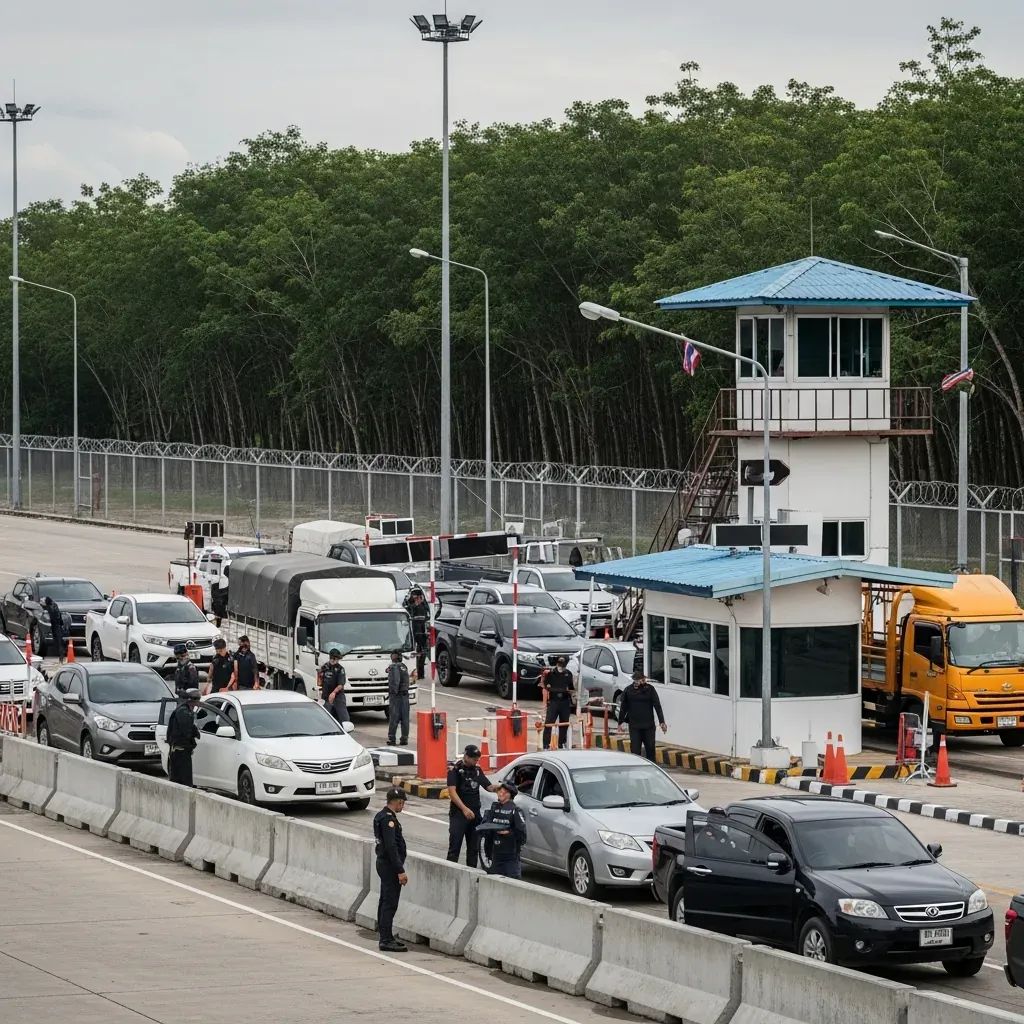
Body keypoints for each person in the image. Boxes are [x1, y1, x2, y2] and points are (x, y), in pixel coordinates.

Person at [372, 786, 409, 953]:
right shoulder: (389, 820)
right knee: (390, 902)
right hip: (389, 866)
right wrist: (400, 870)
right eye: (403, 803)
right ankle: (386, 939)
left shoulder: (381, 815)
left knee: (385, 899)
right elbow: (391, 847)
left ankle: (386, 935)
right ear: (399, 802)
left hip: (384, 864)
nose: (403, 807)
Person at [446, 743, 495, 867]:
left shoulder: (477, 771)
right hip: (459, 813)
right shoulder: (455, 770)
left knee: (473, 849)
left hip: (475, 814)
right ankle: (450, 872)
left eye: (477, 760)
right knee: (454, 848)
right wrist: (464, 809)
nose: (476, 762)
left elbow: (488, 787)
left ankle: (471, 876)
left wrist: (502, 788)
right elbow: (452, 792)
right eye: (474, 759)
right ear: (466, 756)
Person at [480, 781, 527, 878]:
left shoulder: (516, 811)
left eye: (504, 792)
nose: (501, 793)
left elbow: (522, 835)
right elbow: (485, 832)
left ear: (510, 795)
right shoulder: (493, 809)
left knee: (512, 884)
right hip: (496, 856)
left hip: (510, 857)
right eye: (499, 791)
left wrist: (509, 833)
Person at [618, 670, 666, 761]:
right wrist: (620, 723)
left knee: (650, 750)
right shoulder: (628, 690)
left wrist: (662, 722)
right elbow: (623, 708)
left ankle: (651, 769)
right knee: (635, 752)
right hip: (635, 727)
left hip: (649, 727)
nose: (640, 682)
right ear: (634, 680)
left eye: (642, 680)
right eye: (638, 680)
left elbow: (657, 706)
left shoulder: (650, 689)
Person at [166, 687, 201, 786]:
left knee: (182, 781)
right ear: (193, 700)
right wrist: (194, 735)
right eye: (198, 699)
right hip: (180, 751)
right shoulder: (183, 711)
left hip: (182, 750)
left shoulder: (186, 710)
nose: (198, 702)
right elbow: (186, 730)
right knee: (182, 782)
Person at [541, 656, 575, 750]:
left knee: (564, 723)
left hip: (564, 701)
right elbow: (545, 686)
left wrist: (571, 692)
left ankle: (561, 743)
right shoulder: (550, 673)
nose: (561, 667)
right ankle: (545, 745)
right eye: (560, 665)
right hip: (553, 701)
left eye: (563, 666)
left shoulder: (568, 674)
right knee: (549, 723)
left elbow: (571, 688)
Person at [386, 650, 411, 746]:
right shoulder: (404, 666)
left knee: (394, 718)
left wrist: (393, 692)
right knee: (405, 718)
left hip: (396, 696)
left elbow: (396, 680)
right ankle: (404, 739)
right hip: (405, 695)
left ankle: (392, 738)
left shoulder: (394, 666)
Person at [319, 647, 349, 725]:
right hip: (326, 696)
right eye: (335, 659)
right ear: (331, 658)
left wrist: (333, 693)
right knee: (325, 717)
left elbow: (341, 685)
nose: (336, 660)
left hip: (338, 695)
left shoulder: (340, 669)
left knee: (344, 717)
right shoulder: (324, 667)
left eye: (337, 659)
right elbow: (320, 681)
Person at [405, 588, 429, 679]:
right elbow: (407, 612)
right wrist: (414, 604)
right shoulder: (410, 605)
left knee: (423, 652)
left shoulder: (424, 605)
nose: (418, 599)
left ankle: (420, 673)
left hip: (422, 630)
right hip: (413, 630)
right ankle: (414, 671)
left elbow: (429, 613)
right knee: (411, 650)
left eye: (419, 597)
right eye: (416, 597)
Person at [44, 596, 67, 663]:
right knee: (59, 641)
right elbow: (59, 615)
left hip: (55, 625)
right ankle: (61, 655)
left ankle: (61, 656)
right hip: (58, 625)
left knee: (58, 641)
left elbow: (52, 616)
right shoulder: (55, 605)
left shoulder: (50, 607)